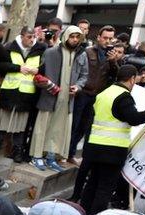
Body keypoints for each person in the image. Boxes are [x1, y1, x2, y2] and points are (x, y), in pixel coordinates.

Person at [80, 65, 145, 215]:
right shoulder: (124, 96)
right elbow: (135, 118)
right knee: (104, 188)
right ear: (131, 79)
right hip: (112, 151)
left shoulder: (105, 92)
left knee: (92, 185)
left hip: (95, 148)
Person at [29, 26, 88, 172]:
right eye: (72, 36)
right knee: (43, 127)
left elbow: (84, 76)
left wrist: (78, 87)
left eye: (77, 37)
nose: (74, 40)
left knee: (59, 130)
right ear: (65, 36)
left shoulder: (82, 55)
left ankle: (51, 157)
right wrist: (48, 85)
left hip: (68, 100)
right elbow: (38, 75)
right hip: (49, 97)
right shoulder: (50, 52)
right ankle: (36, 156)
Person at [0, 26, 47, 163]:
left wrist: (38, 70)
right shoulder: (9, 47)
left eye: (33, 36)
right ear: (22, 36)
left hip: (26, 95)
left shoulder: (40, 49)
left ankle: (17, 152)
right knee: (1, 125)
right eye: (29, 37)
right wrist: (18, 68)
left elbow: (45, 67)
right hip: (9, 92)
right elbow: (0, 66)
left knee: (21, 128)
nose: (32, 39)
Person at [69, 25, 117, 165]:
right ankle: (68, 153)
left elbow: (115, 76)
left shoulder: (112, 56)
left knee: (86, 128)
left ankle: (78, 156)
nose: (107, 41)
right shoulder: (88, 52)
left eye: (110, 38)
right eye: (105, 38)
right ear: (98, 38)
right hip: (82, 93)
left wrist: (113, 62)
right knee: (75, 125)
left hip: (97, 96)